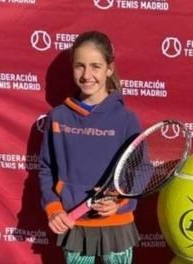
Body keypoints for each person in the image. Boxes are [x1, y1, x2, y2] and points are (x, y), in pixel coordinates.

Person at [38, 30, 141, 264]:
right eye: (79, 66)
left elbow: (140, 170)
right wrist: (54, 208)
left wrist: (120, 201)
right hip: (75, 224)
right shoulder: (58, 117)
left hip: (116, 226)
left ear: (109, 69)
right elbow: (46, 169)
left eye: (95, 66)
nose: (87, 75)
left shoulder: (127, 119)